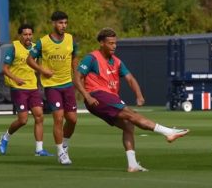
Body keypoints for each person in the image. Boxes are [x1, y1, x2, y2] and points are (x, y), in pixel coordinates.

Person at [73, 27, 190, 172]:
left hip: (106, 99)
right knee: (131, 114)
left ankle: (132, 164)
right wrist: (87, 96)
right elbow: (77, 78)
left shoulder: (116, 62)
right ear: (101, 43)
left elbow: (130, 78)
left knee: (128, 124)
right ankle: (167, 132)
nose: (114, 46)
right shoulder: (91, 58)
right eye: (110, 43)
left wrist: (139, 95)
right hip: (97, 96)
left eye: (115, 43)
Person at [27, 11, 78, 165]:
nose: (63, 26)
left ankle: (65, 145)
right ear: (53, 23)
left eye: (65, 23)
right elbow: (29, 60)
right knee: (59, 118)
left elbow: (74, 56)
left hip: (68, 84)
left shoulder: (70, 39)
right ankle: (61, 153)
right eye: (60, 23)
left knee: (73, 119)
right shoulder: (43, 42)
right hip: (52, 86)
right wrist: (42, 70)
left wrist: (76, 74)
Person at [0, 24, 53, 157]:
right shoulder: (14, 48)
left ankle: (39, 149)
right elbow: (5, 69)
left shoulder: (36, 48)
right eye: (25, 34)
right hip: (18, 88)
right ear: (20, 36)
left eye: (30, 34)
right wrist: (16, 78)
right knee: (23, 120)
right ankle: (5, 137)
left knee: (39, 116)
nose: (28, 37)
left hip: (33, 87)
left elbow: (40, 65)